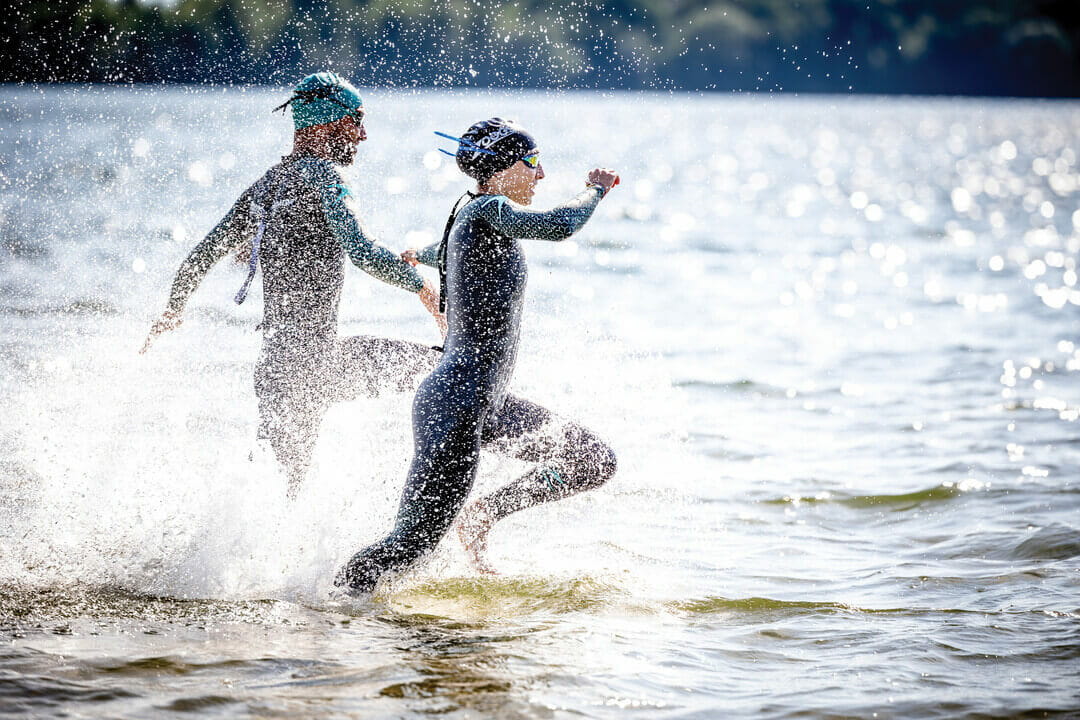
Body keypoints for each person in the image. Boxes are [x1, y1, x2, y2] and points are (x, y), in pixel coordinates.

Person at [336, 118, 619, 594]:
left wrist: (420, 255)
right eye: (532, 162)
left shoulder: (469, 216)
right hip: (456, 403)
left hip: (485, 402)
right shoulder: (487, 208)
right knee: (412, 543)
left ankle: (483, 514)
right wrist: (595, 189)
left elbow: (446, 251)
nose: (541, 174)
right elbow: (559, 225)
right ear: (501, 167)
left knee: (590, 460)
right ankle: (328, 605)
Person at [141, 72, 445, 495]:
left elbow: (200, 257)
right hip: (319, 364)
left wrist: (174, 310)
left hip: (276, 369)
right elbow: (361, 250)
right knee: (454, 371)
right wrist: (425, 290)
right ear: (327, 121)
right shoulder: (325, 178)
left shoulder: (266, 186)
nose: (363, 134)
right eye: (356, 120)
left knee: (279, 492)